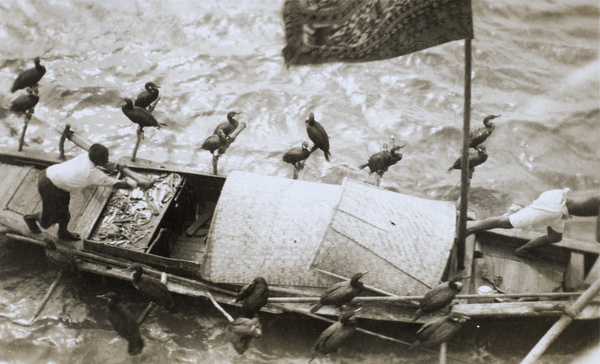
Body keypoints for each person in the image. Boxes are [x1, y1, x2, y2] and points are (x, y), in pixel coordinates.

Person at [23, 143, 152, 241]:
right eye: (106, 158)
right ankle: (30, 218)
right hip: (51, 185)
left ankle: (62, 233)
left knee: (63, 214)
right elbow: (117, 184)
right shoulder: (91, 173)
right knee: (50, 220)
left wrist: (117, 166)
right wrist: (137, 182)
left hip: (51, 175)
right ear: (97, 161)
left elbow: (106, 164)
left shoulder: (86, 156)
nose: (108, 159)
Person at [466, 189, 599, 258]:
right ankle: (469, 229)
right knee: (508, 223)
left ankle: (522, 250)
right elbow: (598, 238)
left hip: (559, 205)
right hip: (554, 206)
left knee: (555, 237)